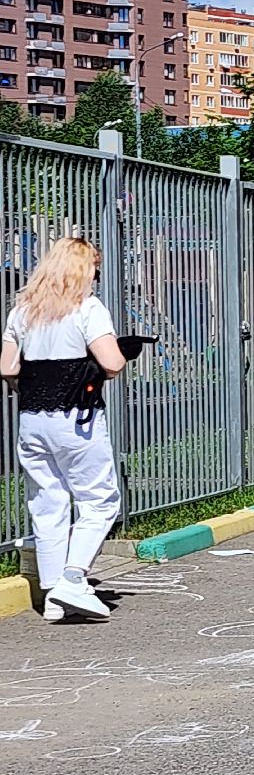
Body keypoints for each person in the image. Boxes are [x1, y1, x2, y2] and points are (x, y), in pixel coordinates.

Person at [0, 237, 125, 622]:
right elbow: (113, 362)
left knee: (48, 501)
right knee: (100, 499)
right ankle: (74, 578)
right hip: (78, 417)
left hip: (33, 419)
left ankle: (54, 596)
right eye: (94, 268)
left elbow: (7, 367)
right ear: (83, 270)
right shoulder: (88, 308)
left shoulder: (23, 311)